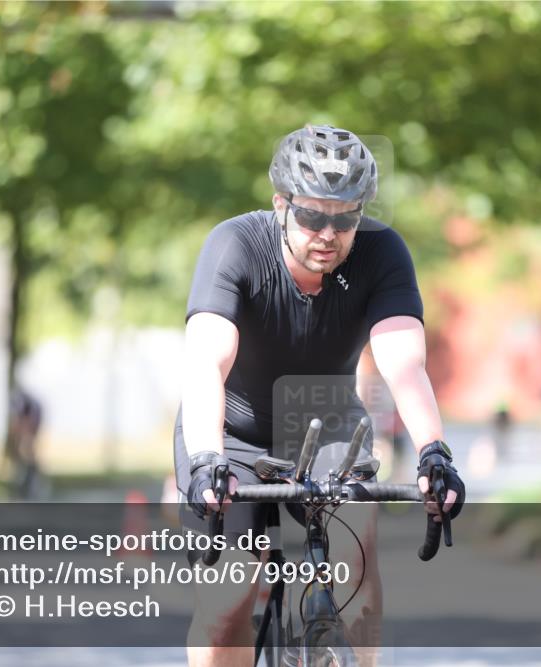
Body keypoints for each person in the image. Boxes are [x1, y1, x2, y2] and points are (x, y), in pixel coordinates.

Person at [173, 124, 465, 666]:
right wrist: (208, 459)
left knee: (357, 578)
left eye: (345, 217)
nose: (328, 233)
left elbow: (404, 364)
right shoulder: (236, 244)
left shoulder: (382, 253)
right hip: (231, 434)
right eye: (311, 215)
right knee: (226, 605)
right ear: (281, 204)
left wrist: (433, 451)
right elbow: (207, 360)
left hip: (326, 423)